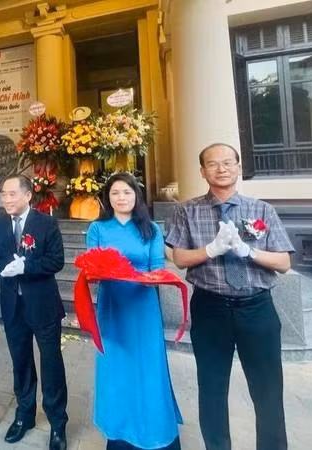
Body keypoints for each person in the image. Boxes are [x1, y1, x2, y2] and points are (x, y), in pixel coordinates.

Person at [166, 143, 293, 450]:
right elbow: (180, 258)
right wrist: (211, 249)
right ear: (202, 171)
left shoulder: (262, 210)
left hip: (257, 309)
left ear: (238, 167)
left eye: (227, 162)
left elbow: (284, 263)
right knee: (211, 387)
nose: (221, 168)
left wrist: (249, 251)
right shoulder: (187, 210)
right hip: (211, 308)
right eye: (213, 164)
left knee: (267, 390)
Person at [86, 173, 181, 450]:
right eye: (115, 193)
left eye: (127, 192)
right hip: (113, 306)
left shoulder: (150, 228)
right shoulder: (98, 229)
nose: (121, 198)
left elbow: (157, 268)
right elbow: (93, 267)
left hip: (143, 307)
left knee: (148, 366)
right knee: (115, 367)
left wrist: (139, 277)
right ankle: (119, 429)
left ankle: (154, 427)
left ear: (136, 196)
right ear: (108, 198)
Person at [0, 174, 68, 450]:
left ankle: (57, 423)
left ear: (28, 195)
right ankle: (25, 415)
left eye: (12, 194)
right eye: (3, 194)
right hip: (13, 305)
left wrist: (26, 267)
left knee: (51, 363)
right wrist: (3, 269)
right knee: (20, 361)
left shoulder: (46, 222)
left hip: (43, 304)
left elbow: (56, 260)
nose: (6, 199)